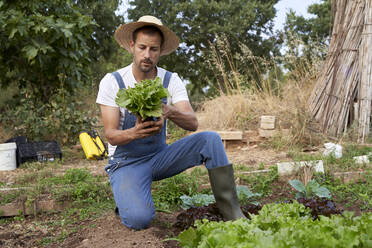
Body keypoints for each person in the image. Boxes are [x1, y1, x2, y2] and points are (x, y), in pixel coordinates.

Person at [96, 15, 245, 230]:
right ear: (132, 46)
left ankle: (232, 213)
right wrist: (136, 132)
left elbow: (192, 123)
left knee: (210, 140)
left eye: (153, 49)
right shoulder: (113, 81)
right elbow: (110, 135)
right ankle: (127, 198)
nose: (147, 55)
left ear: (161, 50)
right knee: (139, 219)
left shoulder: (170, 79)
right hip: (127, 162)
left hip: (159, 157)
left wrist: (169, 111)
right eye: (142, 47)